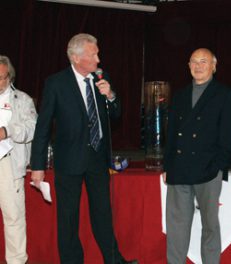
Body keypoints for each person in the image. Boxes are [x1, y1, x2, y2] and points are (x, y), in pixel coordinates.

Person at [30, 33, 137, 264]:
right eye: (93, 54)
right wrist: (37, 166)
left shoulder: (101, 78)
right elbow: (43, 127)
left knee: (103, 215)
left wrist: (110, 95)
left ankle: (114, 260)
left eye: (97, 53)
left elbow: (116, 114)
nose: (98, 59)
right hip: (69, 161)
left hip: (98, 159)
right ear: (76, 58)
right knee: (68, 219)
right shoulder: (56, 83)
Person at [162, 48, 231, 264]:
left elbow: (229, 136)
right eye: (194, 62)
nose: (198, 66)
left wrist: (219, 167)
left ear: (214, 66)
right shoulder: (180, 95)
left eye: (203, 61)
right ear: (188, 66)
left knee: (210, 226)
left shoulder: (226, 95)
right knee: (176, 227)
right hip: (179, 169)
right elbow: (171, 135)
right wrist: (168, 166)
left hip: (209, 170)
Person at [0, 55, 36, 264]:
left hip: (7, 163)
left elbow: (33, 128)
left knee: (14, 218)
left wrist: (7, 131)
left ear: (9, 77)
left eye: (2, 77)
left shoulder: (22, 100)